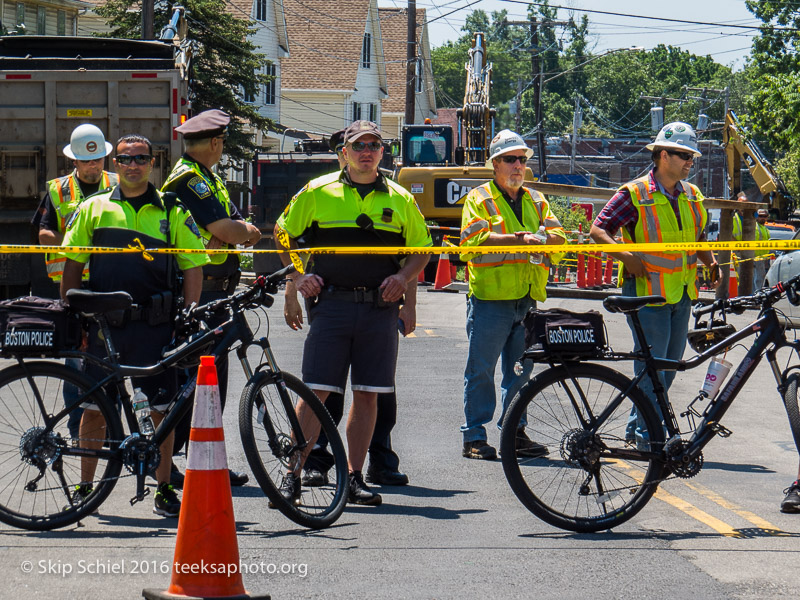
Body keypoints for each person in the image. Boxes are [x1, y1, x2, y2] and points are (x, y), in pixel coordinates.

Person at [274, 120, 431, 506]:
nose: (366, 151)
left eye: (374, 145)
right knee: (317, 392)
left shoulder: (400, 198)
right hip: (332, 307)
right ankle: (292, 474)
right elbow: (282, 233)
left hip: (378, 311)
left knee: (368, 395)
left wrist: (403, 277)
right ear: (343, 152)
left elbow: (422, 248)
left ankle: (355, 476)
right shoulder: (317, 191)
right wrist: (298, 275)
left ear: (382, 152)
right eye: (358, 145)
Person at [60, 134, 208, 517]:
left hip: (153, 325)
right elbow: (72, 266)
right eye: (125, 159)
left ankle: (162, 488)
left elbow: (193, 266)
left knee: (161, 409)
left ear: (152, 163)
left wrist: (188, 317)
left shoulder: (172, 209)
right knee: (93, 409)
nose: (133, 165)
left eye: (141, 158)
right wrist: (71, 313)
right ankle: (86, 487)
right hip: (102, 328)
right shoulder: (94, 207)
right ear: (116, 164)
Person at [590, 122, 720, 446]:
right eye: (683, 155)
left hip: (681, 293)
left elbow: (698, 236)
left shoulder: (692, 195)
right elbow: (598, 230)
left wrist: (711, 260)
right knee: (652, 371)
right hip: (646, 294)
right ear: (663, 155)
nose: (690, 161)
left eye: (692, 156)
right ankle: (650, 437)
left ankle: (637, 430)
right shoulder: (634, 194)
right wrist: (627, 256)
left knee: (669, 368)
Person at [161, 109, 261, 488]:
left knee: (210, 385)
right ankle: (170, 466)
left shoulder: (206, 177)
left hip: (218, 292)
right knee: (193, 385)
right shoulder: (190, 180)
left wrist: (236, 232)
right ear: (216, 143)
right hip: (202, 292)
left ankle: (206, 460)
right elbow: (228, 228)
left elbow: (235, 227)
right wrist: (236, 232)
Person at [459, 129, 566, 460]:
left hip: (525, 299)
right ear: (495, 164)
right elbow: (471, 244)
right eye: (510, 159)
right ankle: (474, 437)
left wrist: (548, 242)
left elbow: (559, 237)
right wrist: (519, 239)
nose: (518, 166)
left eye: (522, 159)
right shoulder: (479, 199)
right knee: (481, 370)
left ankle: (515, 432)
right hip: (490, 299)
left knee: (521, 371)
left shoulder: (536, 199)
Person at [33, 124, 118, 437]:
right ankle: (76, 428)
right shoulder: (58, 191)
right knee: (77, 360)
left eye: (97, 160)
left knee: (112, 358)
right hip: (75, 288)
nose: (93, 166)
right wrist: (78, 243)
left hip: (111, 282)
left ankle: (109, 428)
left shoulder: (119, 185)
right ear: (75, 162)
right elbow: (43, 235)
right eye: (86, 161)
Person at [733, 204, 771, 293]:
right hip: (752, 258)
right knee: (753, 281)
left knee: (759, 281)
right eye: (760, 216)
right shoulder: (754, 226)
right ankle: (753, 298)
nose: (763, 218)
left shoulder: (765, 229)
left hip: (761, 259)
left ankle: (757, 298)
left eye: (765, 216)